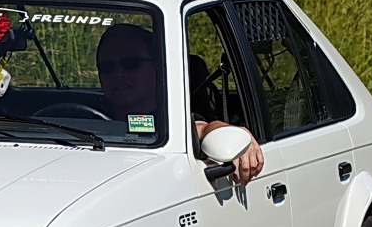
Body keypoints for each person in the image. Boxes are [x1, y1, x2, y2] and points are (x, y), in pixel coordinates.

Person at [96, 23, 264, 185]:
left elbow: (203, 128)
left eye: (130, 64)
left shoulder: (170, 123)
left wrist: (234, 135)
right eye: (107, 67)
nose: (118, 73)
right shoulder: (78, 120)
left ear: (158, 67)